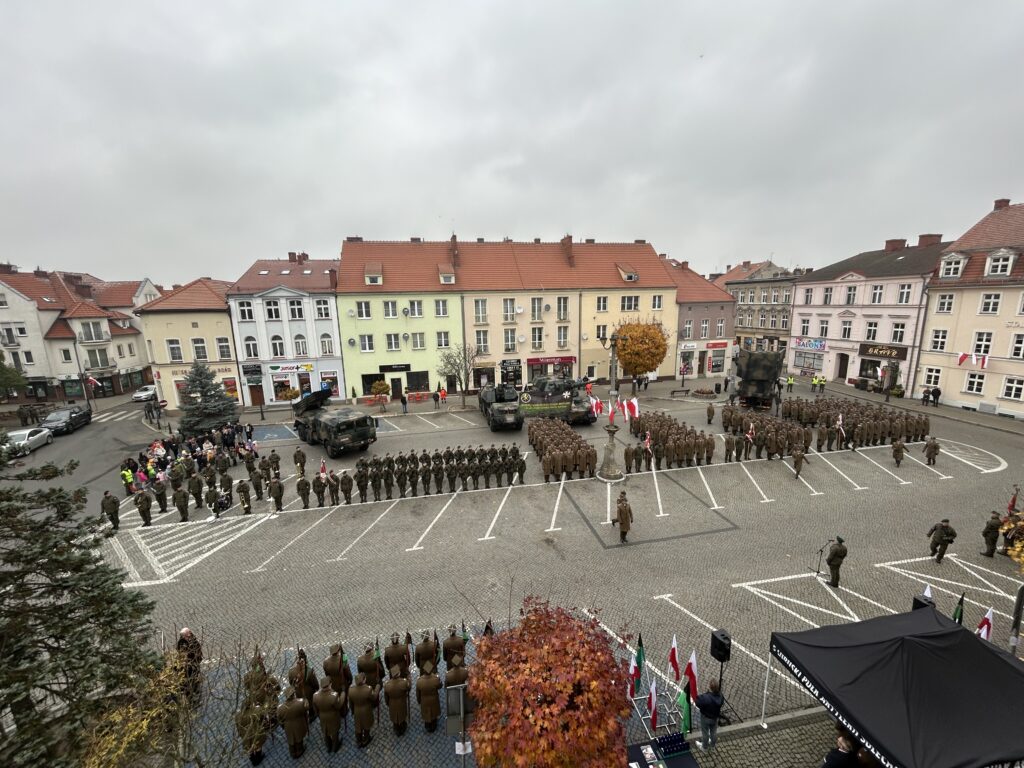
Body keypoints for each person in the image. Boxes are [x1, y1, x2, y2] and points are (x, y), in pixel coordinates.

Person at [312, 677, 345, 753]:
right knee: (335, 732)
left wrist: (319, 716)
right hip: (333, 717)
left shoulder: (315, 696)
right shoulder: (334, 695)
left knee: (325, 732)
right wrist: (343, 693)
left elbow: (315, 709)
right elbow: (339, 705)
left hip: (322, 716)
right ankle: (335, 746)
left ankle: (328, 746)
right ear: (330, 684)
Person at [277, 687, 310, 759]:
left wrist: (283, 726)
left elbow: (279, 720)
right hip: (298, 724)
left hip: (288, 726)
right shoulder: (300, 702)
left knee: (291, 740)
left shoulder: (280, 708)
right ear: (293, 694)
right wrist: (306, 700)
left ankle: (292, 753)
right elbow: (306, 708)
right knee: (299, 739)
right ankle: (299, 751)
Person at [348, 672, 378, 748]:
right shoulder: (368, 689)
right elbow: (374, 697)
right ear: (364, 680)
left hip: (357, 711)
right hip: (366, 711)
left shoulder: (351, 690)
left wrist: (352, 711)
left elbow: (350, 703)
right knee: (366, 726)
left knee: (358, 727)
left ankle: (359, 741)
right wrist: (377, 687)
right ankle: (366, 739)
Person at [694, 679, 724, 751]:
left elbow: (697, 702)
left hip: (705, 717)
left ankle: (704, 747)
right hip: (715, 718)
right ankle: (713, 746)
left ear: (710, 687)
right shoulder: (720, 697)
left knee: (705, 733)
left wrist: (705, 694)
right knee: (713, 732)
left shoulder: (706, 697)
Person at [384, 665, 411, 736]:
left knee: (394, 716)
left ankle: (396, 728)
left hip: (392, 703)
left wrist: (388, 703)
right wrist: (409, 677)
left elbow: (386, 698)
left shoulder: (387, 685)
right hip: (401, 701)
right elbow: (408, 688)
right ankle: (402, 727)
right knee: (402, 714)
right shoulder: (403, 682)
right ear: (398, 673)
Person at [177, 627, 203, 699]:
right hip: (186, 666)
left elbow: (198, 654)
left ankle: (194, 692)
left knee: (194, 681)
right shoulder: (181, 643)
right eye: (187, 635)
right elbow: (180, 653)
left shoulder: (194, 642)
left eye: (189, 634)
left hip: (193, 664)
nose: (189, 636)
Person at [416, 660, 442, 732]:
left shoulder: (419, 681)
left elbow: (418, 693)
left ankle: (427, 725)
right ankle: (433, 724)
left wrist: (419, 700)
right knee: (433, 712)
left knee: (426, 712)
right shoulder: (435, 679)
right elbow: (440, 686)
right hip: (434, 699)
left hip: (424, 700)